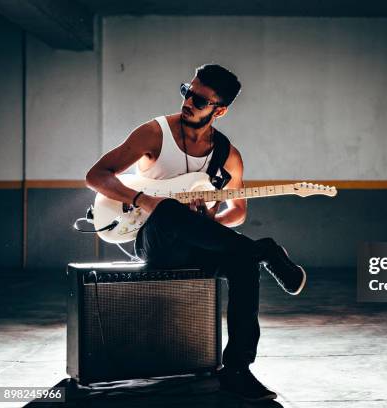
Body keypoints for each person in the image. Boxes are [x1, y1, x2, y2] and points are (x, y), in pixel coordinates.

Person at [85, 63, 306, 402]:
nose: (188, 101)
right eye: (187, 92)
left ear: (221, 110)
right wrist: (145, 200)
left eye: (200, 100)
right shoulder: (155, 133)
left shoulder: (227, 156)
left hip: (198, 242)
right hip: (153, 241)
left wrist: (205, 220)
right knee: (170, 210)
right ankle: (264, 250)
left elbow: (238, 212)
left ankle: (237, 370)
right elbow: (96, 176)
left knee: (242, 265)